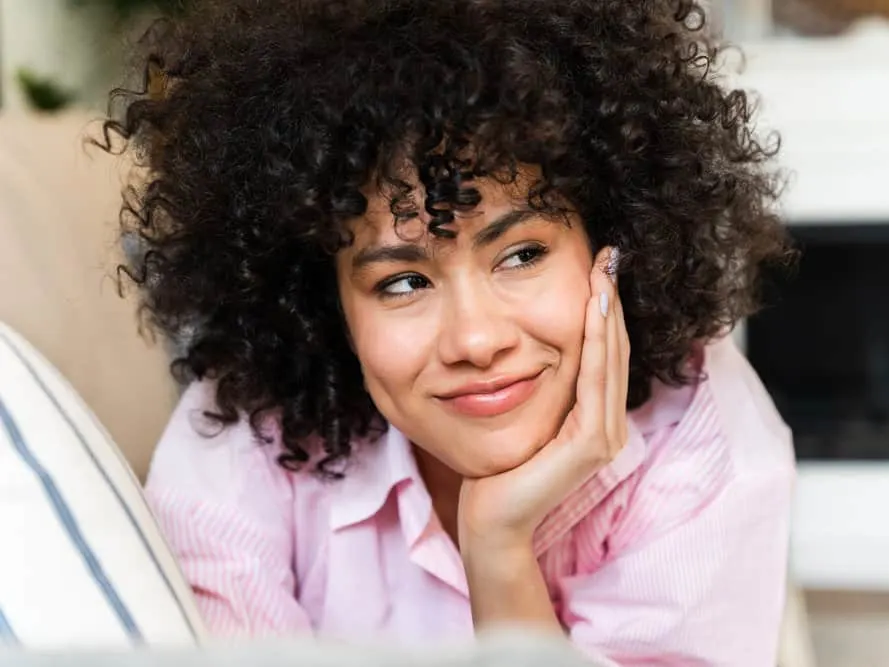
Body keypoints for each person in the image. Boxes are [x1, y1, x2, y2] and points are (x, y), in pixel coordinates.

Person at [99, 0, 797, 664]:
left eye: (522, 254)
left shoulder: (706, 447)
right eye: (403, 281)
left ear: (614, 243)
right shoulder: (247, 431)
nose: (476, 339)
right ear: (325, 302)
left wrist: (497, 547)